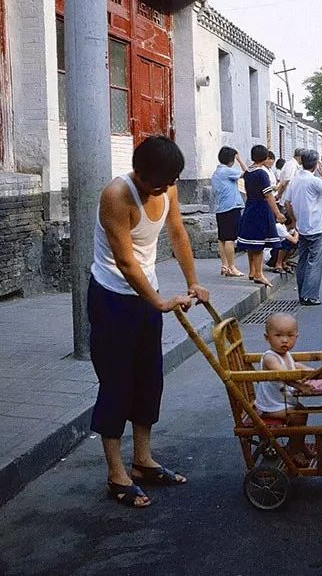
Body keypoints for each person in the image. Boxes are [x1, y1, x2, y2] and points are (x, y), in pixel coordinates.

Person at [89, 135, 209, 508]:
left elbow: (177, 233)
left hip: (147, 297)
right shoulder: (116, 195)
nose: (163, 190)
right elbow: (125, 262)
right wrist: (158, 302)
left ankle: (142, 461)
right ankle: (116, 473)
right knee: (116, 384)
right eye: (156, 183)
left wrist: (193, 281)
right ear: (138, 172)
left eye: (169, 183)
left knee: (149, 380)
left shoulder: (167, 190)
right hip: (112, 297)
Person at [255, 313, 315, 467]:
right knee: (297, 417)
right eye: (278, 335)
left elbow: (295, 366)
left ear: (296, 336)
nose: (284, 340)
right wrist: (301, 386)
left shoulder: (285, 354)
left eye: (290, 335)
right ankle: (294, 451)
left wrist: (312, 371)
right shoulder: (270, 358)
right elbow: (283, 375)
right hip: (271, 406)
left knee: (303, 412)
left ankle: (299, 445)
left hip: (282, 400)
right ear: (267, 337)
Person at [284, 149, 322, 305]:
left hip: (302, 226)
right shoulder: (314, 180)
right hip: (317, 226)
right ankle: (310, 295)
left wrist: (295, 219)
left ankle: (302, 293)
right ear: (315, 164)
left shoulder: (296, 180)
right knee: (314, 262)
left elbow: (287, 203)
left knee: (303, 260)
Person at [237, 144, 285, 288]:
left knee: (251, 242)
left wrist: (239, 160)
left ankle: (252, 271)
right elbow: (268, 195)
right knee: (259, 243)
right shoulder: (262, 173)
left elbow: (245, 170)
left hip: (249, 207)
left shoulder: (248, 172)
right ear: (265, 158)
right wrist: (277, 213)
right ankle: (258, 274)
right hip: (260, 209)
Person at [211, 146, 246, 278]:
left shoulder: (216, 172)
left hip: (220, 208)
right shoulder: (227, 171)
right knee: (230, 239)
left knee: (222, 239)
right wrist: (240, 159)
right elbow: (246, 173)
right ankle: (232, 267)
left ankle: (224, 265)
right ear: (231, 160)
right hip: (231, 207)